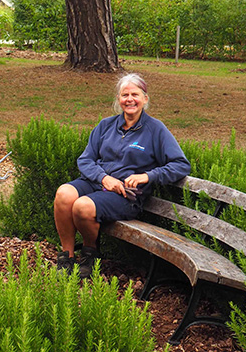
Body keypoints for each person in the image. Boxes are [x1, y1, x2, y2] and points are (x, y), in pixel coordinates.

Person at [54, 73, 191, 277]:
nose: (130, 99)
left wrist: (148, 176)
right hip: (97, 182)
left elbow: (181, 165)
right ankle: (67, 256)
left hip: (126, 195)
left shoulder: (155, 130)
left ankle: (90, 253)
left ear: (145, 98)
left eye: (135, 94)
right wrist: (103, 178)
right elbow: (85, 160)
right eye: (124, 94)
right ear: (118, 99)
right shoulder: (106, 125)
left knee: (82, 207)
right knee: (64, 194)